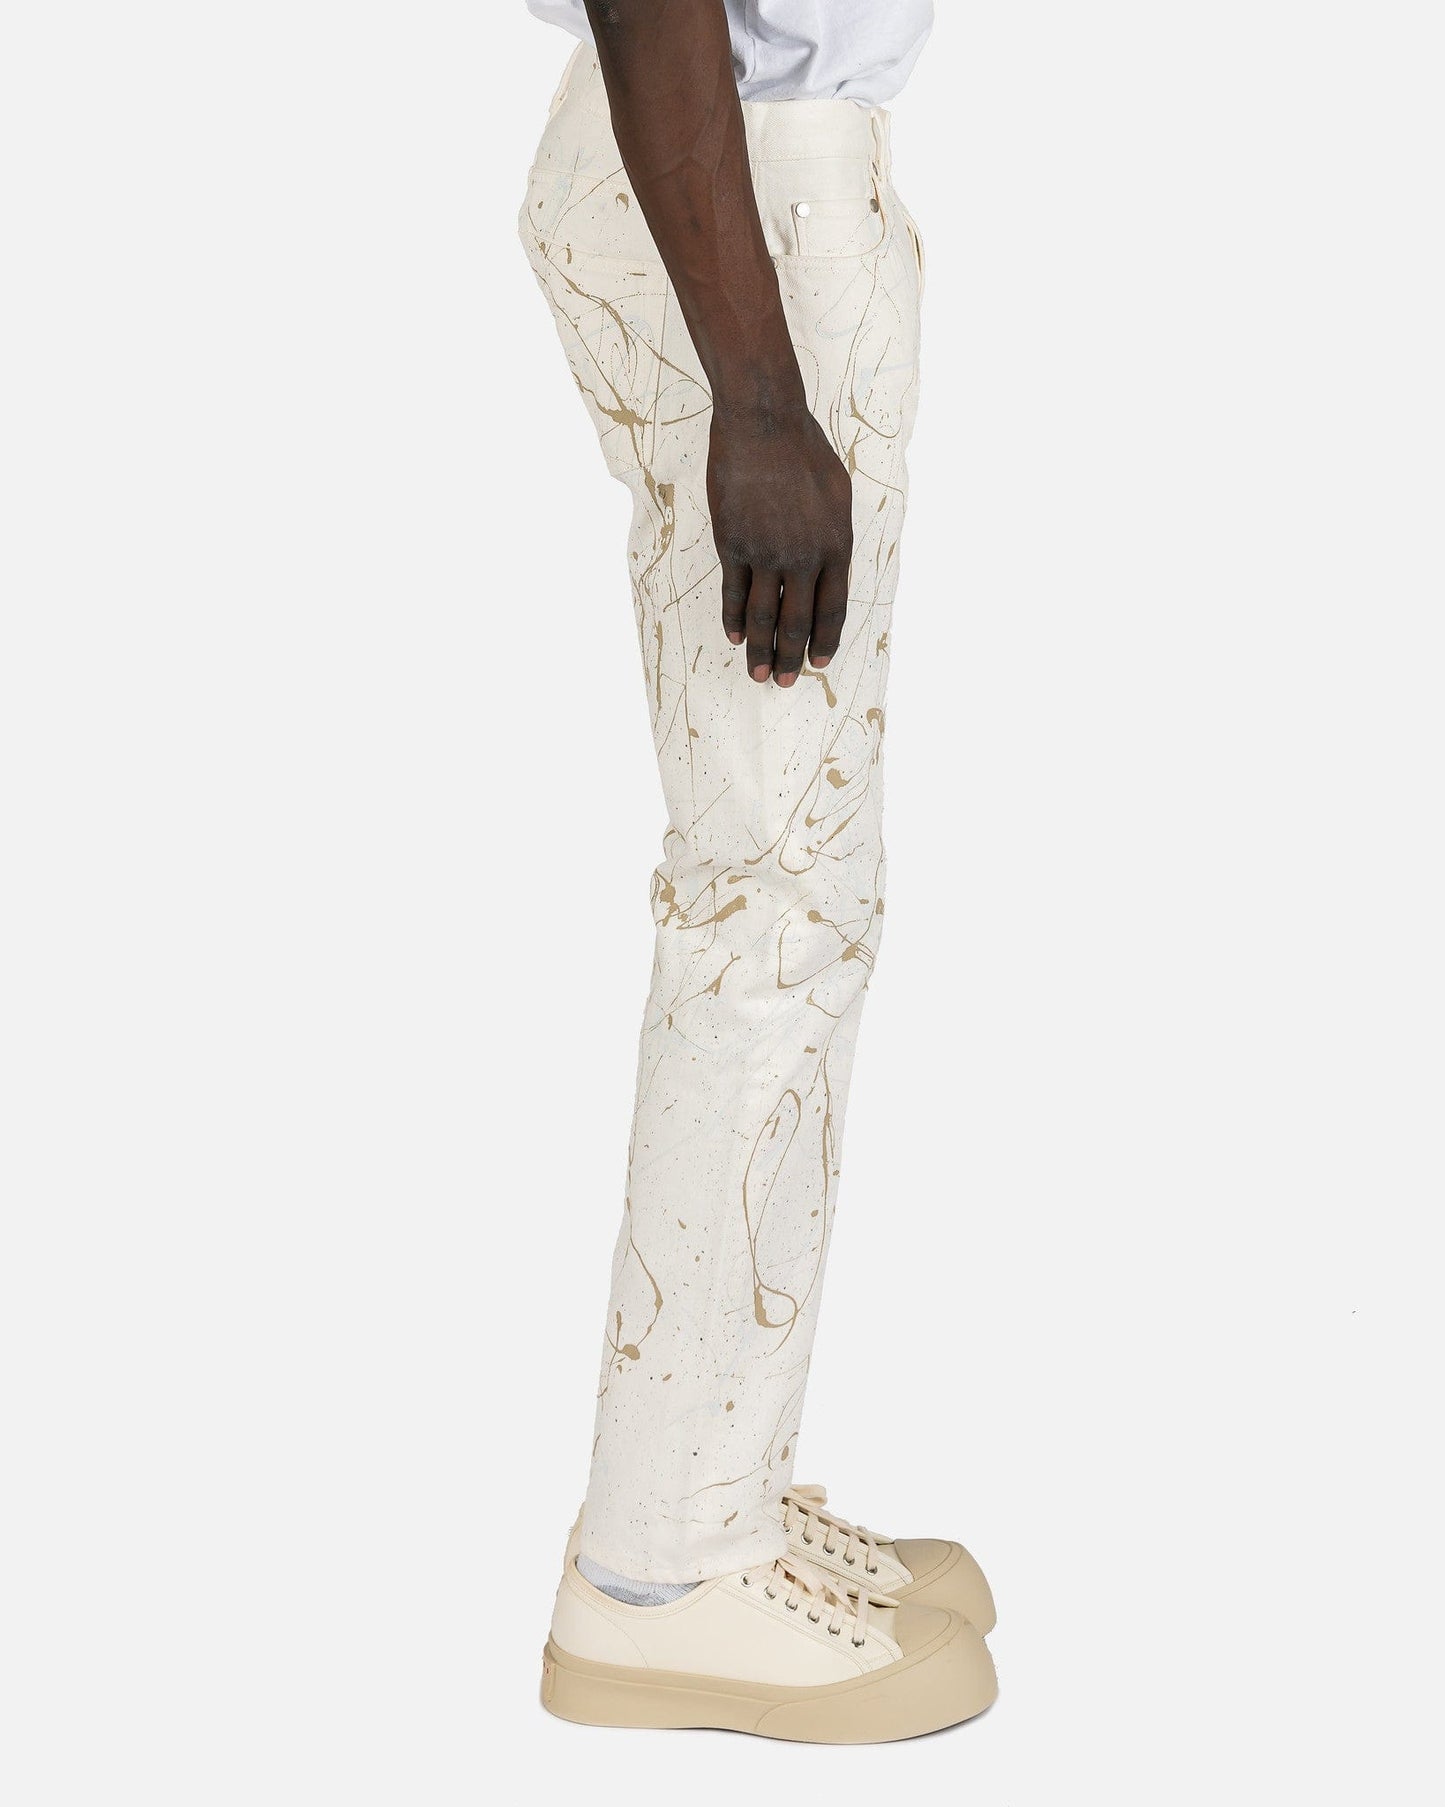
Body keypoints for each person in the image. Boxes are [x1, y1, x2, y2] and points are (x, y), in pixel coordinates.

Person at [519, 0, 997, 1740]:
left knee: (783, 884)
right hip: (742, 222)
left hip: (740, 184)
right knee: (773, 899)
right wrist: (761, 395)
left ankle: (714, 1484)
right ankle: (663, 1569)